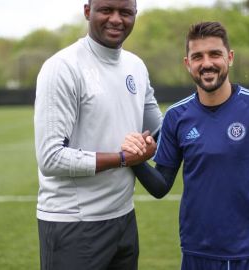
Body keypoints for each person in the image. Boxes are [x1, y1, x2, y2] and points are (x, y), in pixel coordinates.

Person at [122, 22, 249, 270]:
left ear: (229, 58)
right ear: (188, 64)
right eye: (198, 57)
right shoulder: (176, 116)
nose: (207, 63)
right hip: (197, 254)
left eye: (215, 54)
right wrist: (135, 160)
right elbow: (161, 186)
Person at [33, 0, 162, 269]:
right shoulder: (63, 67)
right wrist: (123, 158)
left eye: (125, 12)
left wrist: (147, 145)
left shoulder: (136, 66)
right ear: (87, 11)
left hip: (124, 219)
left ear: (135, 15)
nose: (116, 19)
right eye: (107, 10)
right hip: (73, 224)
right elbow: (51, 158)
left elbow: (159, 130)